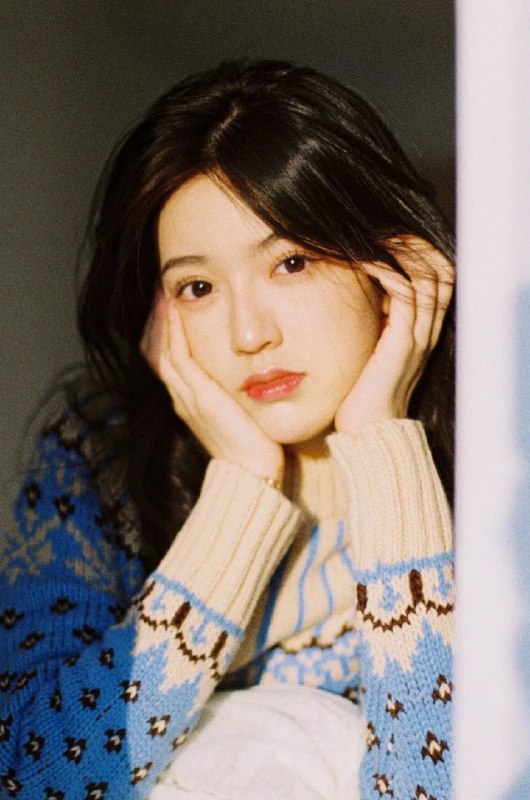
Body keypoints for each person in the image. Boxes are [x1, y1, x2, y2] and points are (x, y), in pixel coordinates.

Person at [0, 60, 454, 800]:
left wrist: (386, 450)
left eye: (292, 262)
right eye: (199, 287)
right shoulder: (98, 460)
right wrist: (240, 494)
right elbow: (28, 780)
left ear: (393, 267)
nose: (249, 333)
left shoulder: (505, 468)